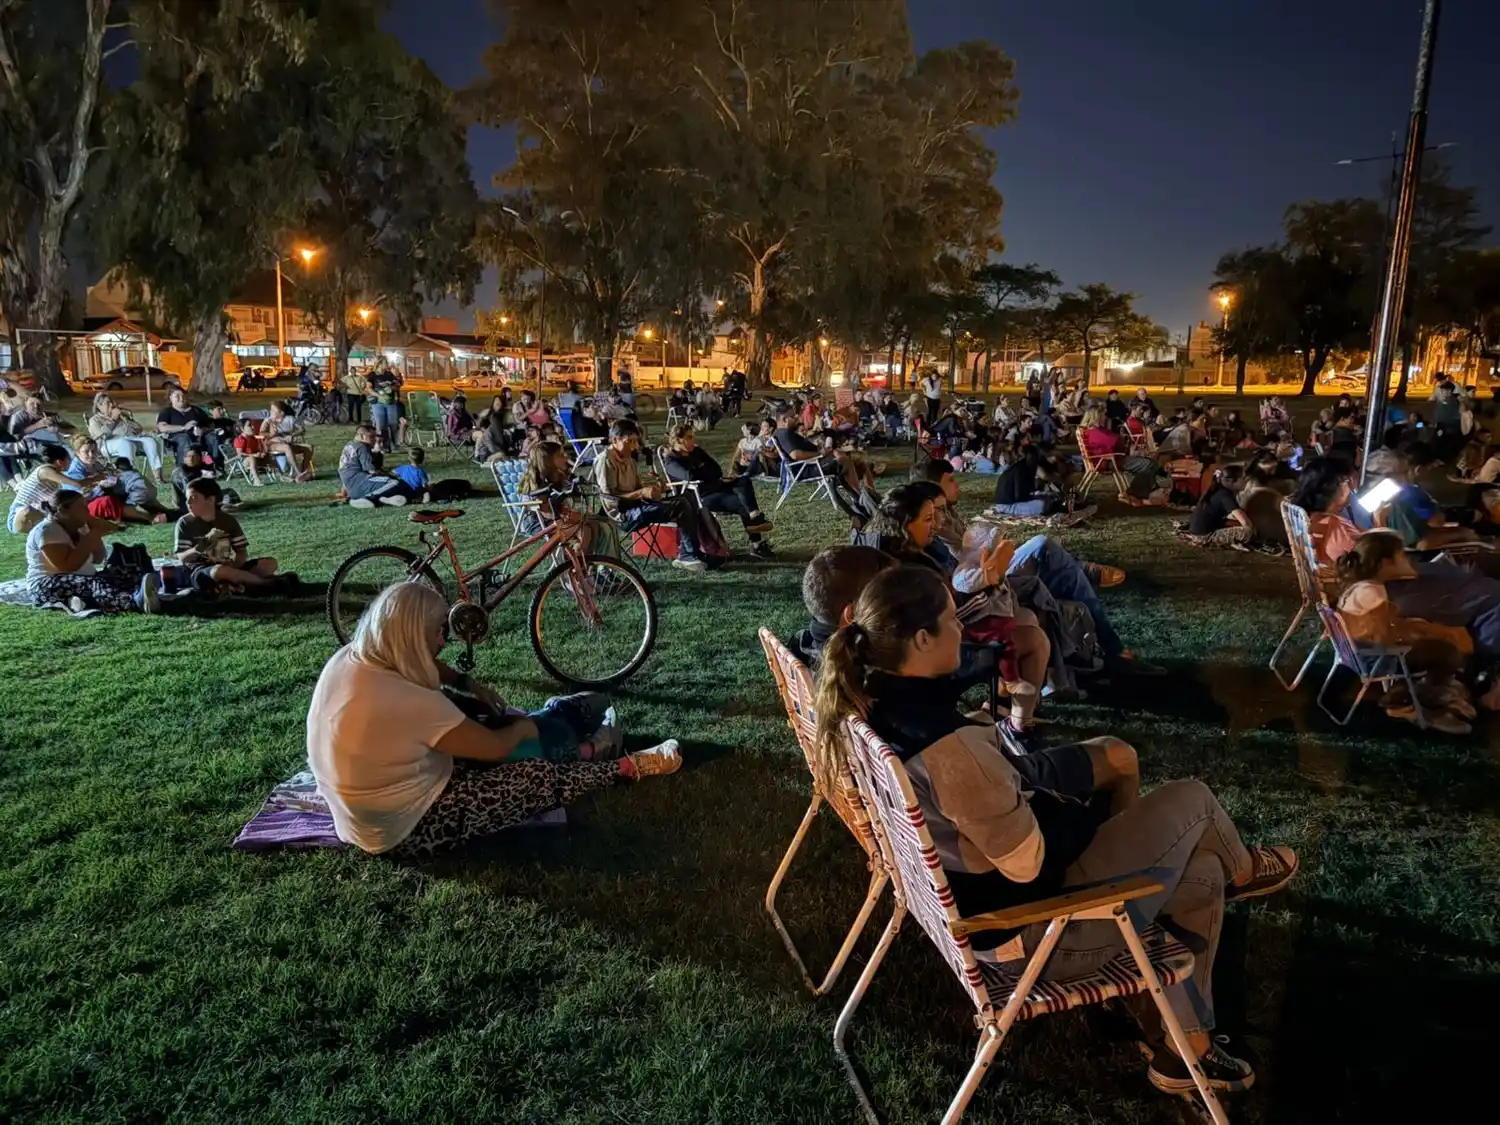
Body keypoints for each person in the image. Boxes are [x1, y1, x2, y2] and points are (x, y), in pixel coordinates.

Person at [812, 565, 1299, 1095]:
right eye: (953, 620)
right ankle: (1245, 871)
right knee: (1194, 801)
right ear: (922, 639)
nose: (965, 629)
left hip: (976, 918)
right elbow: (1028, 864)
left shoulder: (875, 706)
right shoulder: (951, 751)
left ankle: (1187, 1049)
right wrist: (1081, 813)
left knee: (1200, 873)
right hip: (1034, 942)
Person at [306, 582, 682, 856]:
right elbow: (494, 749)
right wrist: (523, 726)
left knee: (480, 723)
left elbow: (423, 666)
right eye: (439, 632)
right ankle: (626, 766)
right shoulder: (410, 702)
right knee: (530, 773)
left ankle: (572, 729)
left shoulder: (352, 658)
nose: (445, 640)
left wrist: (466, 682)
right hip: (402, 829)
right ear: (413, 639)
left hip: (360, 815)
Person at [1334, 531, 1475, 732]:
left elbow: (1378, 626)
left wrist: (1412, 627)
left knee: (1433, 638)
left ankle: (1429, 692)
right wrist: (1412, 636)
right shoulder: (1374, 593)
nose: (1406, 558)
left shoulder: (1359, 586)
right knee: (1446, 653)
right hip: (1376, 659)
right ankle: (1417, 703)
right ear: (1386, 562)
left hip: (1357, 653)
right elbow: (1384, 637)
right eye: (1401, 554)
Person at [594, 419, 711, 570]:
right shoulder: (605, 460)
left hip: (637, 505)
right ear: (615, 440)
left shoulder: (629, 458)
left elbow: (637, 487)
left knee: (686, 497)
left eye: (635, 442)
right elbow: (609, 496)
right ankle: (687, 555)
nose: (634, 447)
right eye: (629, 441)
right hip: (622, 514)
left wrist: (654, 488)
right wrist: (642, 493)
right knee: (680, 505)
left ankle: (692, 551)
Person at [25, 489, 161, 614]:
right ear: (63, 511)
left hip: (83, 578)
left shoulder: (79, 526)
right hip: (46, 585)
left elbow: (98, 558)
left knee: (123, 571)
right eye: (81, 507)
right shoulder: (48, 531)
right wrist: (88, 540)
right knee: (95, 584)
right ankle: (135, 602)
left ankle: (82, 601)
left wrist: (94, 536)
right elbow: (66, 567)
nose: (87, 510)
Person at [662, 424, 774, 558]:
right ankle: (757, 544)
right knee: (741, 501)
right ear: (679, 440)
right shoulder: (672, 460)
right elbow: (689, 476)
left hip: (716, 486)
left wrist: (702, 470)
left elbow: (716, 470)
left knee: (744, 481)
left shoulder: (697, 452)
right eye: (690, 437)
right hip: (700, 496)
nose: (694, 440)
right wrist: (703, 468)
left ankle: (755, 517)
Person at [175, 477, 292, 594]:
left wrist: (235, 566)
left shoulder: (227, 520)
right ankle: (269, 584)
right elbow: (182, 557)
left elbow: (241, 552)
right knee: (219, 571)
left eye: (194, 498)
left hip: (229, 567)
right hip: (201, 572)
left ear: (210, 500)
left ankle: (236, 585)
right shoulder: (185, 523)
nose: (188, 502)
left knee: (269, 563)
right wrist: (204, 543)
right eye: (187, 498)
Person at [88, 392, 165, 481]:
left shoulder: (121, 415)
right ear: (99, 406)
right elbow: (103, 435)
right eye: (107, 403)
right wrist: (113, 420)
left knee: (150, 441)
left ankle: (158, 478)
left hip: (130, 438)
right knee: (125, 443)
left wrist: (127, 420)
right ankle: (129, 476)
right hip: (107, 443)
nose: (112, 405)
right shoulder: (94, 420)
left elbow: (138, 428)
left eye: (112, 402)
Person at [339, 424, 416, 508]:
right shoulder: (363, 447)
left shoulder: (349, 445)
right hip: (362, 483)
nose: (374, 440)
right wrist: (389, 475)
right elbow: (372, 471)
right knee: (395, 483)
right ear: (362, 436)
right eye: (372, 437)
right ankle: (368, 499)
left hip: (352, 488)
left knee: (396, 484)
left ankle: (385, 500)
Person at [7, 444, 76, 534]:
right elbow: (77, 483)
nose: (71, 462)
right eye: (69, 459)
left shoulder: (54, 474)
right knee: (29, 510)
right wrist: (97, 479)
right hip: (18, 517)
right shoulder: (46, 471)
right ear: (59, 462)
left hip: (35, 515)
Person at [1186, 465, 1254, 548]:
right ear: (1231, 481)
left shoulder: (1218, 490)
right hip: (1204, 537)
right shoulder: (1225, 496)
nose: (1246, 481)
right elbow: (1245, 523)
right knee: (1248, 532)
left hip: (1197, 533)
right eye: (1243, 478)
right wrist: (1253, 528)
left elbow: (1222, 520)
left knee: (1238, 525)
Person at [260, 401, 314, 480]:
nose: (270, 412)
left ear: (281, 413)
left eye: (273, 410)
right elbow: (261, 433)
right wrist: (271, 434)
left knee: (309, 447)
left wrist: (292, 436)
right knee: (286, 447)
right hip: (273, 444)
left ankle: (303, 471)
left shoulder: (290, 419)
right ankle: (298, 473)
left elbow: (302, 430)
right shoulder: (268, 421)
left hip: (288, 443)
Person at [367, 366, 402, 449]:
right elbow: (368, 388)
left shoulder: (389, 374)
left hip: (390, 402)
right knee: (381, 425)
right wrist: (378, 395)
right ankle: (383, 445)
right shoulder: (372, 375)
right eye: (385, 363)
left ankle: (394, 444)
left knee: (393, 424)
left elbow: (397, 385)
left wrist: (391, 388)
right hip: (378, 403)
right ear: (379, 364)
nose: (386, 365)